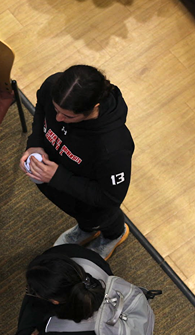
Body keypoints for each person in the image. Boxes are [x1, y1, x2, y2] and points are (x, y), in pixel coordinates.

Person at [21, 65, 134, 261]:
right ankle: (87, 230)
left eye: (68, 116)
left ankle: (113, 236)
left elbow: (110, 198)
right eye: (56, 110)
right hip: (61, 189)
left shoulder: (113, 147)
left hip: (92, 204)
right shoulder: (52, 87)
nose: (58, 118)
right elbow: (41, 109)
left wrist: (58, 177)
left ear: (94, 107)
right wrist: (36, 144)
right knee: (84, 220)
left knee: (102, 219)